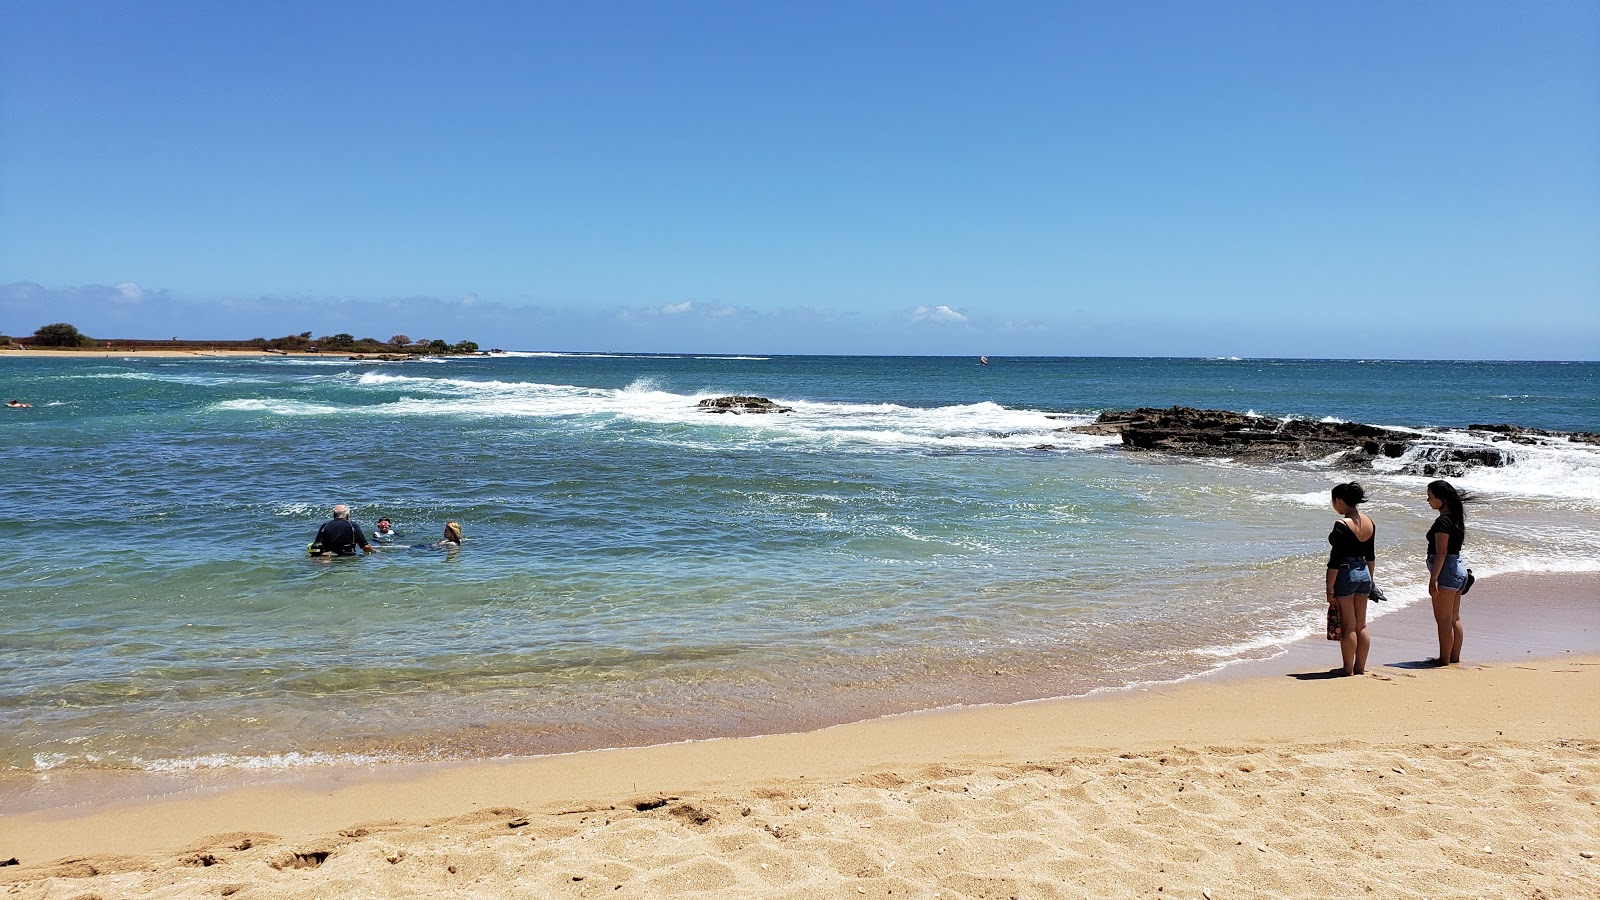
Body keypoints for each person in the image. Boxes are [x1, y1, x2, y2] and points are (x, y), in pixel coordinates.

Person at [1325, 482, 1375, 676]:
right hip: (1364, 572)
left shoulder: (1341, 525)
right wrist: (1371, 580)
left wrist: (1329, 587)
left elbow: (1335, 560)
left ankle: (1347, 669)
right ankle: (1360, 667)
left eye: (1333, 501)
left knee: (1348, 625)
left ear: (1339, 501)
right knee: (1361, 624)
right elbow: (1371, 556)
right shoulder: (1369, 521)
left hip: (1346, 572)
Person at [1425, 479, 1471, 665]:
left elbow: (1442, 551)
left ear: (1441, 499)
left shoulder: (1443, 521)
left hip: (1447, 570)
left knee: (1443, 619)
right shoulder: (1455, 518)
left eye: (1430, 497)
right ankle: (1454, 657)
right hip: (1458, 568)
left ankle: (1443, 659)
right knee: (1454, 618)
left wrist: (1433, 578)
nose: (1428, 500)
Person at [310, 504, 375, 556]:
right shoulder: (352, 525)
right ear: (347, 515)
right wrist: (375, 553)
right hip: (348, 557)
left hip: (329, 557)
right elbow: (365, 546)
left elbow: (317, 546)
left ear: (334, 515)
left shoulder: (325, 525)